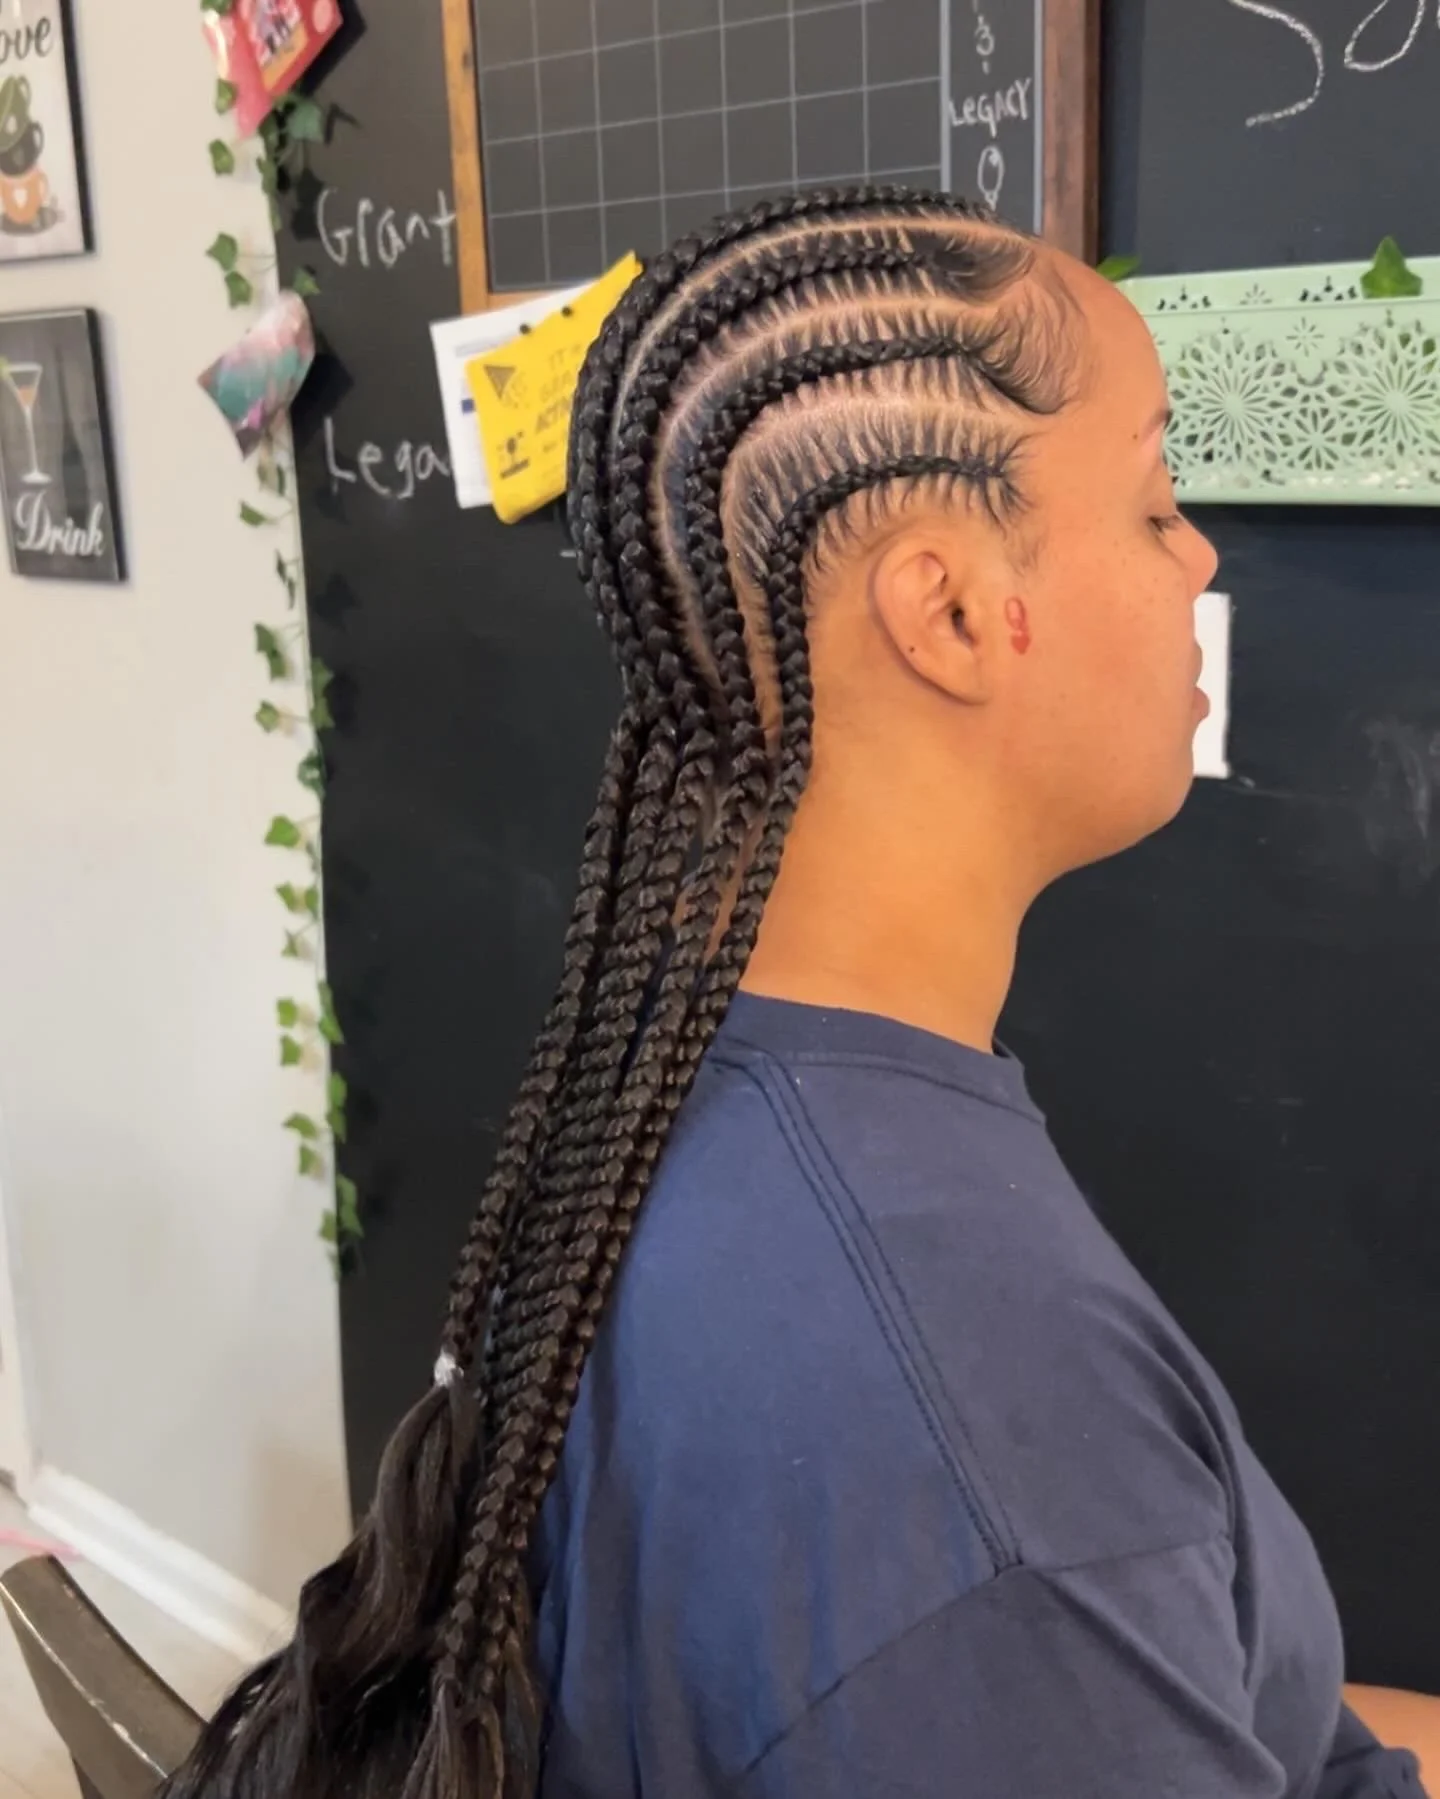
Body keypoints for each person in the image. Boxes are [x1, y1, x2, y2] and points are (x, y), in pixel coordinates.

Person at [161, 190, 1436, 1799]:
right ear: (953, 609)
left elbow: (1233, 1695)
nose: (1197, 554)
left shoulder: (677, 1100)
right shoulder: (984, 1477)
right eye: (1154, 494)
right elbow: (1040, 1622)